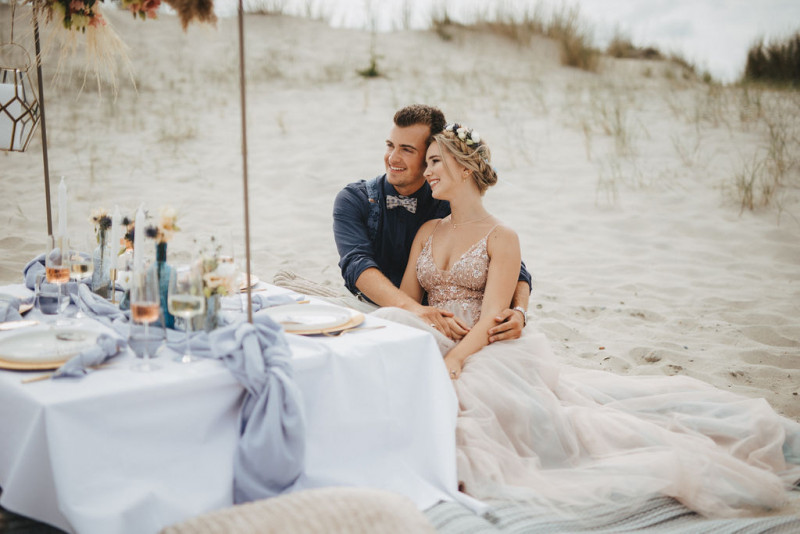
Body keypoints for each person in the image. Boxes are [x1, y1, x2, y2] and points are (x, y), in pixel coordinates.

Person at [375, 122, 800, 518]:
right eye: (427, 162)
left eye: (434, 161)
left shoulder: (502, 237)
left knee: (473, 412)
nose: (426, 171)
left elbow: (492, 318)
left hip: (482, 348)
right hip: (431, 335)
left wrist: (457, 359)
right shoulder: (427, 229)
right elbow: (408, 303)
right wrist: (427, 329)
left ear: (465, 168)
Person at [333, 105, 532, 342]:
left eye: (407, 150)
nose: (392, 158)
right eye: (390, 145)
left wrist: (519, 311)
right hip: (373, 309)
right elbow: (356, 264)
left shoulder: (448, 200)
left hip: (438, 318)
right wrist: (412, 310)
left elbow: (512, 265)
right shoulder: (354, 199)